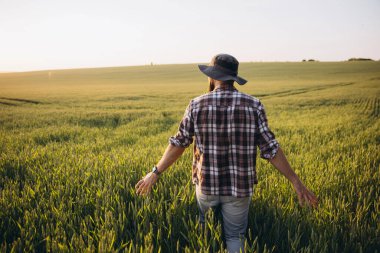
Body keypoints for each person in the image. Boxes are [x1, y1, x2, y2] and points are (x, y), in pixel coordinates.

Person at [135, 54, 318, 253]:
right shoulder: (253, 105)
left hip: (207, 187)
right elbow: (271, 149)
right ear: (233, 77)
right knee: (235, 236)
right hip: (239, 189)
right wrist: (295, 181)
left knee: (206, 234)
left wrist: (155, 172)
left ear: (213, 76)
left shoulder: (196, 105)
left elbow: (179, 143)